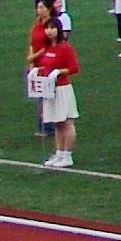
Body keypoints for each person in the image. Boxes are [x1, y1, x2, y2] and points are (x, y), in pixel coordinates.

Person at [31, 19, 80, 169]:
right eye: (47, 28)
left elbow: (74, 68)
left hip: (62, 89)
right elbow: (44, 65)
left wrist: (59, 72)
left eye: (53, 28)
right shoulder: (47, 48)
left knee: (66, 122)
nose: (49, 31)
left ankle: (67, 154)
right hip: (49, 89)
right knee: (57, 123)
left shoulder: (64, 48)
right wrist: (37, 71)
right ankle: (59, 152)